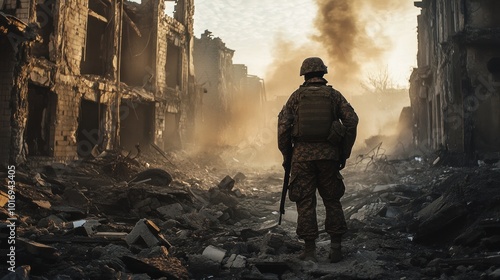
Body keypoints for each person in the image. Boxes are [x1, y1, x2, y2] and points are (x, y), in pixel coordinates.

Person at [277, 57, 358, 262]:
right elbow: (351, 120)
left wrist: (287, 155)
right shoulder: (334, 96)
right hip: (329, 155)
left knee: (305, 202)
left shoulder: (296, 97)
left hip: (302, 157)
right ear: (323, 73)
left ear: (304, 75)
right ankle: (336, 249)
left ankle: (310, 251)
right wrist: (343, 151)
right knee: (332, 200)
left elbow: (284, 127)